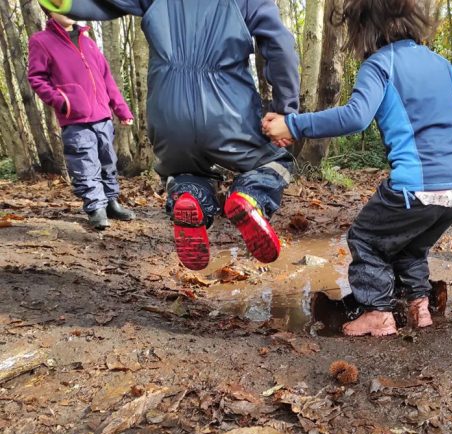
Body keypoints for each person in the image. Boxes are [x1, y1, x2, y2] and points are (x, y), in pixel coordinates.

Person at [263, 0, 452, 336]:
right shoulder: (438, 62)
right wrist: (449, 143)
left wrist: (293, 125)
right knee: (411, 245)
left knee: (366, 238)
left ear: (364, 28)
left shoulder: (380, 64)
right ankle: (419, 307)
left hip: (417, 185)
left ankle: (378, 312)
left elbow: (355, 116)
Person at [38, 0, 300, 270]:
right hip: (228, 111)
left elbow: (101, 4)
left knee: (185, 169)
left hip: (167, 112)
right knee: (275, 162)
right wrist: (285, 110)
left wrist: (64, 3)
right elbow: (280, 45)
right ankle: (250, 196)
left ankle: (190, 196)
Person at [28, 9, 135, 230]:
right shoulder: (41, 41)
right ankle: (96, 206)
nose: (68, 11)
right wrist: (62, 101)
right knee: (84, 162)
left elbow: (107, 79)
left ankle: (111, 201)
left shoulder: (89, 42)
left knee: (108, 160)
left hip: (102, 115)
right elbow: (37, 78)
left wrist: (122, 110)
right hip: (75, 118)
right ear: (49, 9)